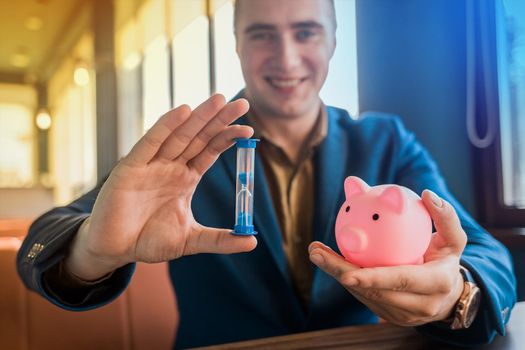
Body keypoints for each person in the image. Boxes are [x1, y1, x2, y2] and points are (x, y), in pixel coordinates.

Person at [17, 0, 516, 348]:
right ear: (236, 42)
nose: (286, 57)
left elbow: (483, 253)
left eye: (306, 31)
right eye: (261, 33)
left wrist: (456, 293)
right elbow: (41, 242)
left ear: (333, 40)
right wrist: (91, 251)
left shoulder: (385, 144)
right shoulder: (184, 155)